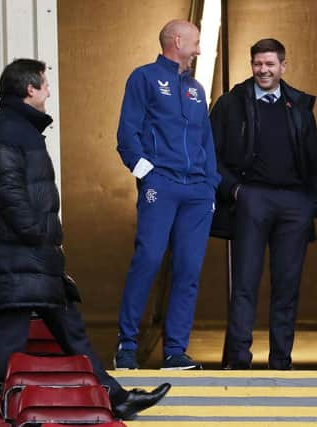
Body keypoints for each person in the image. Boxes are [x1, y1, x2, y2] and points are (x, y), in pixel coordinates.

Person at [0, 58, 170, 420]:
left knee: (72, 333)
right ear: (29, 89)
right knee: (10, 338)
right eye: (44, 84)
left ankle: (117, 398)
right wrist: (38, 234)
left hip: (36, 258)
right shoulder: (6, 130)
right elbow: (9, 192)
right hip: (21, 256)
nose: (49, 90)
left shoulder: (21, 129)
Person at [210, 39, 317, 370]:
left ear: (283, 66)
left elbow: (315, 159)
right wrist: (235, 191)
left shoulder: (300, 105)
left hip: (295, 204)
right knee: (244, 283)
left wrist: (312, 204)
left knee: (286, 287)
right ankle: (239, 359)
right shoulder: (231, 103)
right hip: (251, 198)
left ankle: (281, 362)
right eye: (257, 64)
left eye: (270, 64)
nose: (263, 70)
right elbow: (210, 154)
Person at [114, 19, 220, 370]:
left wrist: (210, 184)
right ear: (178, 41)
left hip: (197, 192)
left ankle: (175, 350)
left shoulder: (197, 90)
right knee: (149, 259)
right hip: (162, 185)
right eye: (196, 43)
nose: (200, 50)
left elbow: (206, 140)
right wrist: (149, 176)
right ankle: (126, 345)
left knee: (189, 268)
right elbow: (127, 133)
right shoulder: (143, 78)